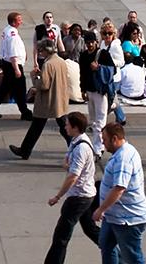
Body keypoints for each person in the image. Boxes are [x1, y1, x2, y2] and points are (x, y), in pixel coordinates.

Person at [45, 111, 101, 264]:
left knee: (61, 237)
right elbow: (68, 162)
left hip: (78, 198)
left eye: (68, 124)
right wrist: (66, 164)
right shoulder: (77, 141)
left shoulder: (81, 148)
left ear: (75, 127)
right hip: (85, 195)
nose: (65, 126)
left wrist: (58, 196)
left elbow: (73, 176)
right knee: (90, 230)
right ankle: (117, 253)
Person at [91, 121, 146, 263]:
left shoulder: (123, 159)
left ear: (115, 138)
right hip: (115, 216)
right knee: (106, 244)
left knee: (132, 257)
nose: (103, 144)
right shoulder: (124, 152)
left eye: (104, 140)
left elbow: (119, 189)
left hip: (128, 219)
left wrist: (101, 209)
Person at [12, 40, 73, 159]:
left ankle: (25, 150)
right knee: (62, 127)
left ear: (47, 50)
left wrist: (35, 78)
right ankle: (25, 150)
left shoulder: (48, 64)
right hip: (60, 99)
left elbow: (44, 85)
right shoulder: (61, 61)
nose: (40, 53)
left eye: (41, 50)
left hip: (48, 101)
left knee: (40, 126)